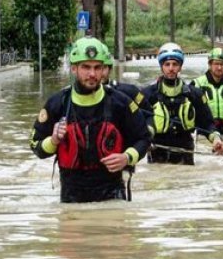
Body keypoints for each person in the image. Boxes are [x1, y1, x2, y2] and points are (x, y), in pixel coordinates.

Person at [30, 36, 152, 203]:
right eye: (86, 67)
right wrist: (53, 140)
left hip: (112, 194)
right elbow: (35, 145)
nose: (92, 74)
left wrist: (127, 157)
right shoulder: (57, 104)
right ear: (74, 68)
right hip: (71, 197)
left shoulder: (121, 103)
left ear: (104, 69)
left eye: (97, 67)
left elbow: (144, 138)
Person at [141, 42, 223, 164]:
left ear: (180, 67)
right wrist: (143, 141)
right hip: (157, 153)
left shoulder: (195, 94)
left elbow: (208, 124)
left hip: (185, 151)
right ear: (161, 66)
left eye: (175, 64)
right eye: (167, 64)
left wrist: (216, 139)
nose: (171, 68)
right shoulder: (148, 94)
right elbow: (136, 124)